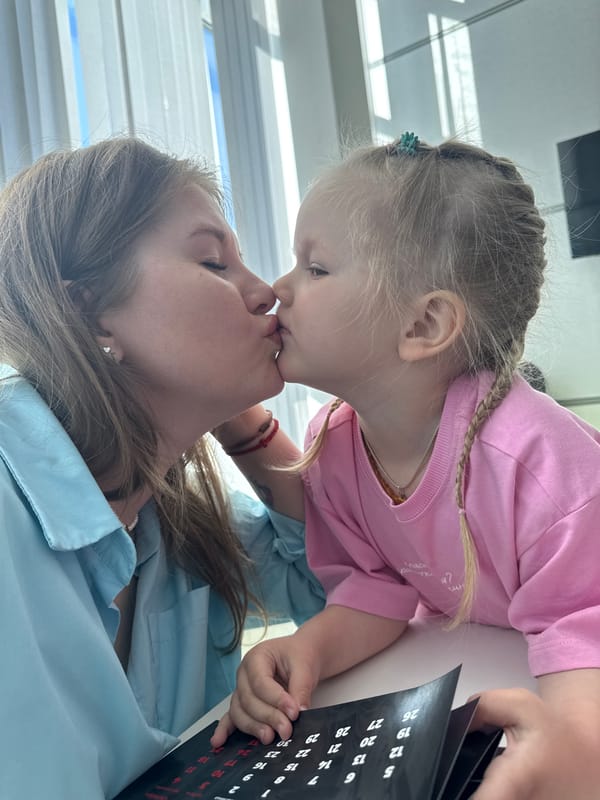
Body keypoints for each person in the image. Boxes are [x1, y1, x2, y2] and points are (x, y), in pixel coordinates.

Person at [212, 134, 600, 798]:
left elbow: (584, 622)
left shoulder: (536, 459)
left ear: (423, 325)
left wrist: (578, 756)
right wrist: (305, 652)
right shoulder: (333, 443)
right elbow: (376, 588)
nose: (279, 289)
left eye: (316, 268)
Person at [0, 137, 325, 799]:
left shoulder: (171, 514)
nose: (265, 292)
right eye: (213, 261)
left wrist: (237, 418)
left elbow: (337, 585)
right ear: (87, 310)